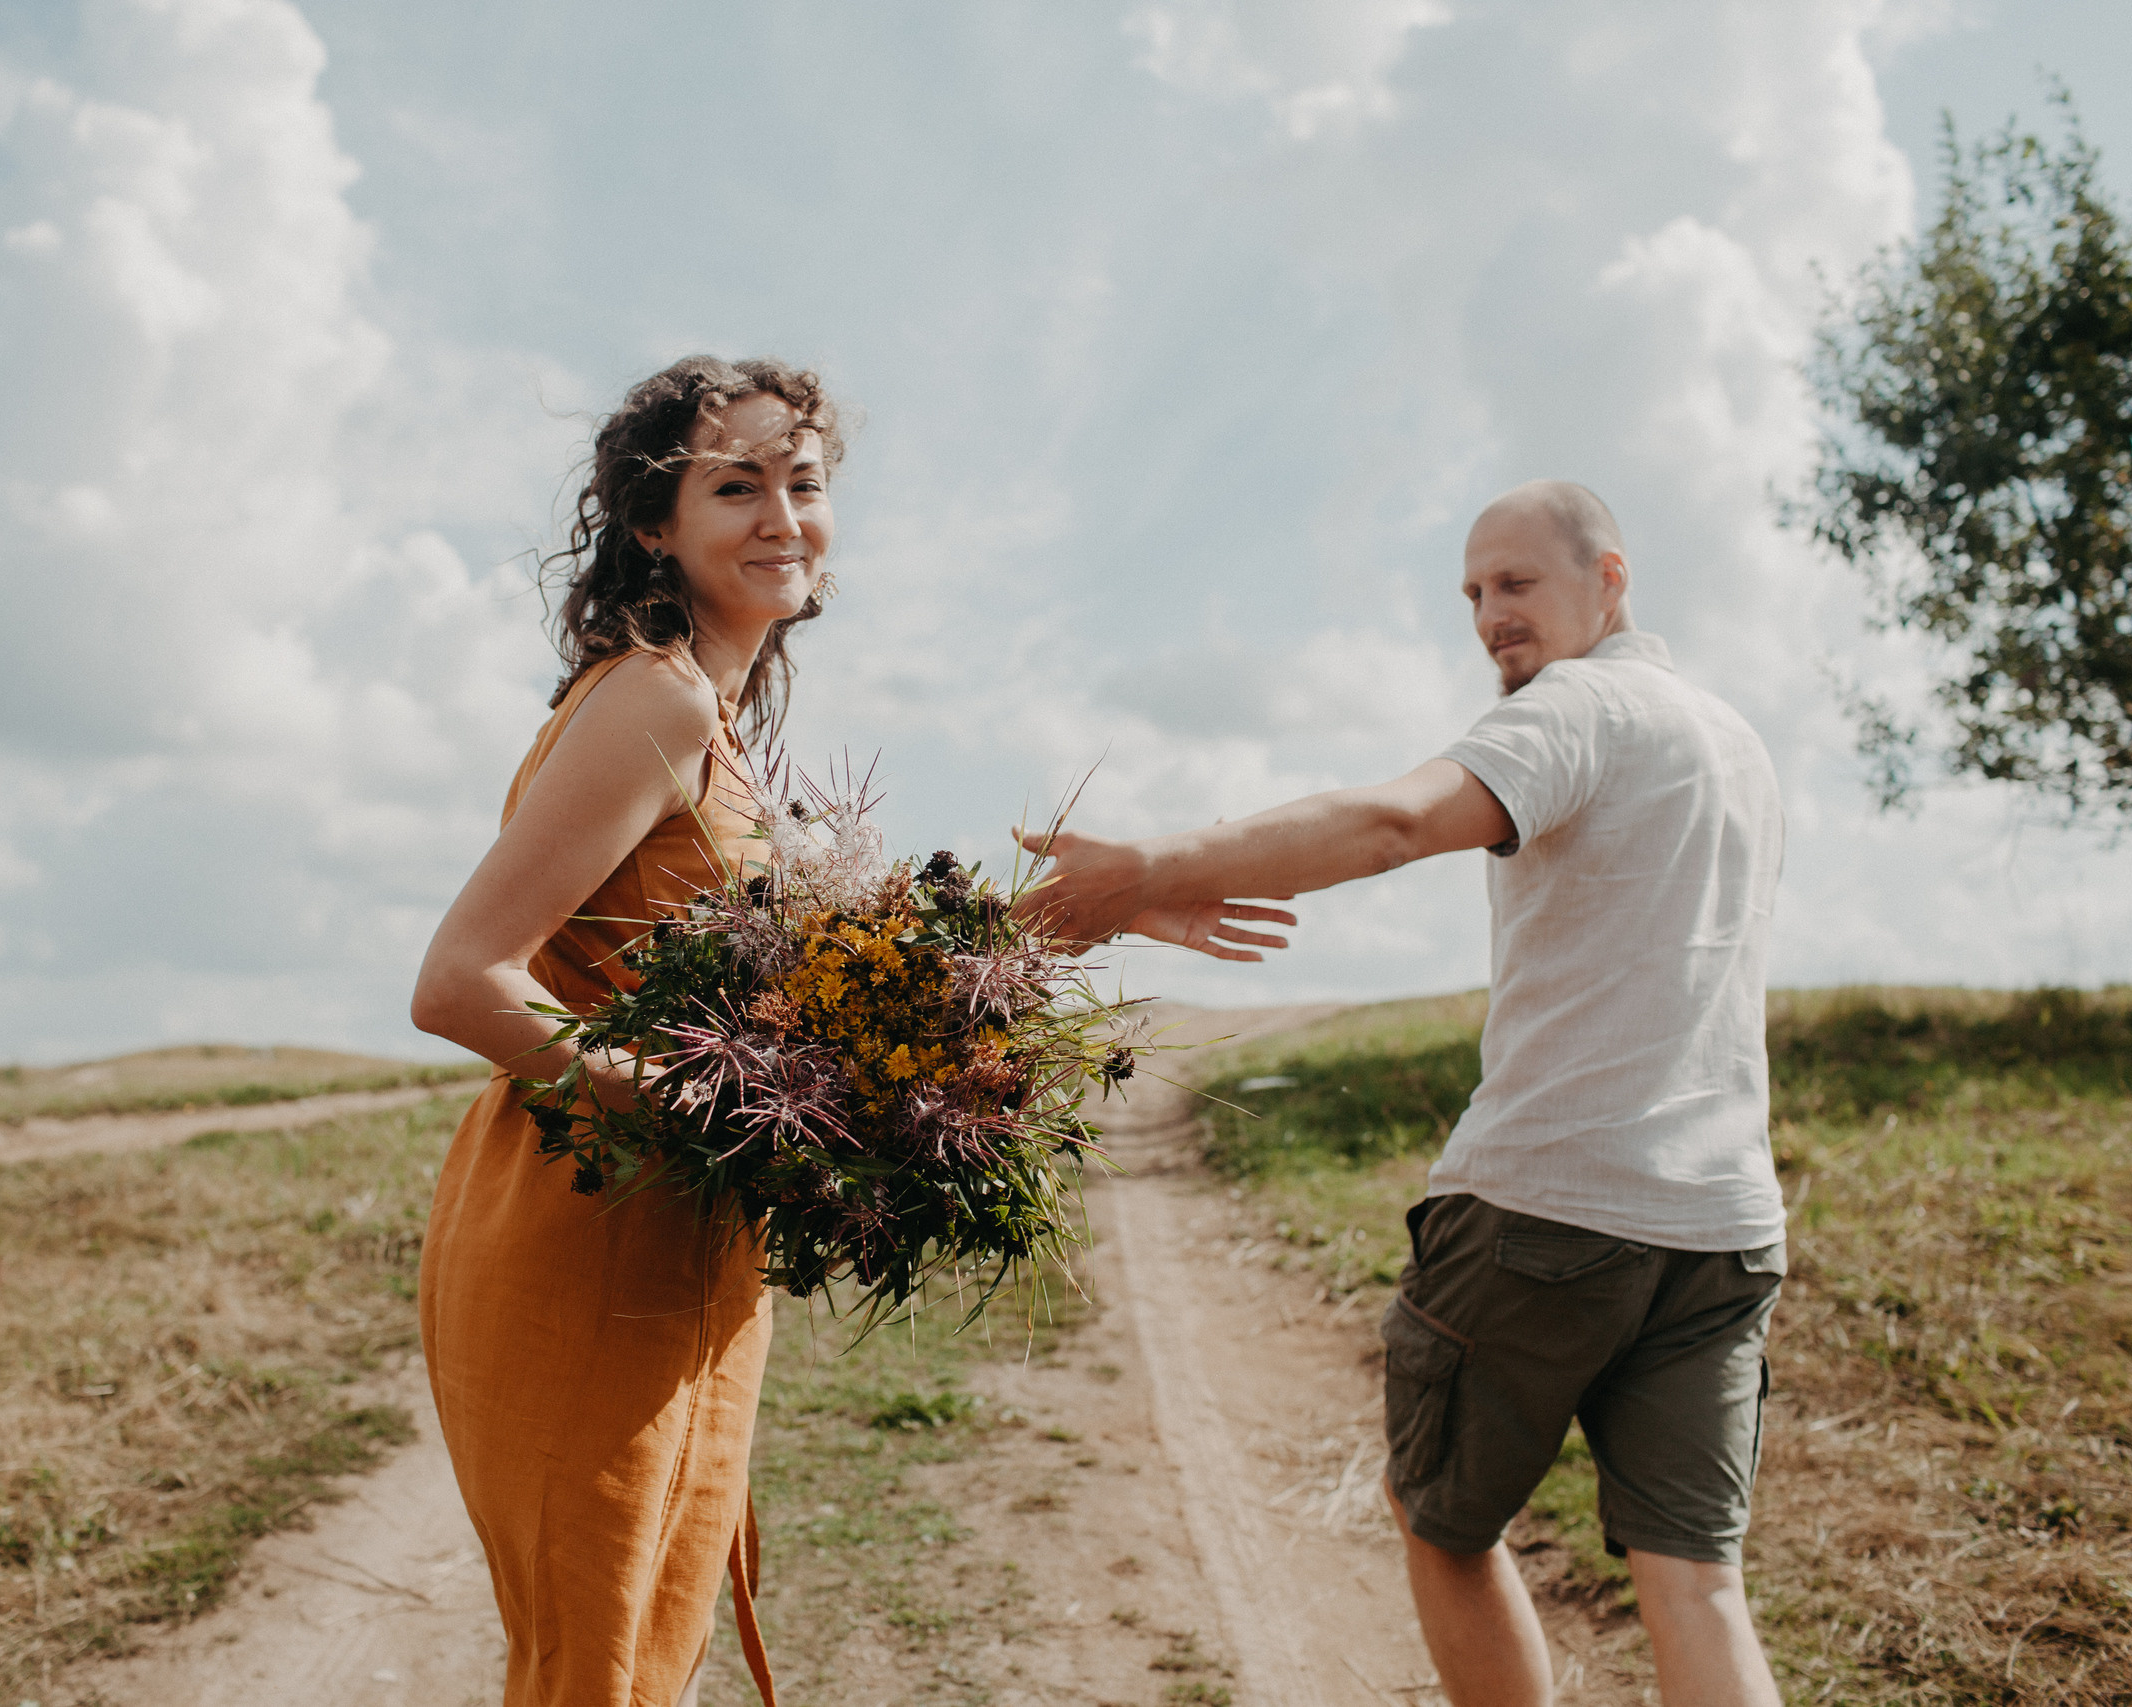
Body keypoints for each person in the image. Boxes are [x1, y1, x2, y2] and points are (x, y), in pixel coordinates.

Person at [1023, 480, 1789, 1707]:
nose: (1489, 616)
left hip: (1549, 1207)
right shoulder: (1733, 742)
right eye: (1473, 593)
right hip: (1722, 1231)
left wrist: (1148, 869)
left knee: (1442, 1522)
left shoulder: (1576, 707)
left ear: (1609, 577)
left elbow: (1391, 822)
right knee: (1696, 1582)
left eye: (1516, 583)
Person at [409, 356, 840, 1707]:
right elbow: (459, 980)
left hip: (666, 1223)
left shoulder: (705, 713)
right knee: (600, 1665)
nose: (784, 516)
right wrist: (702, 1107)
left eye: (804, 481)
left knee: (638, 1643)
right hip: (589, 1213)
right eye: (738, 486)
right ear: (655, 524)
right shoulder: (660, 698)